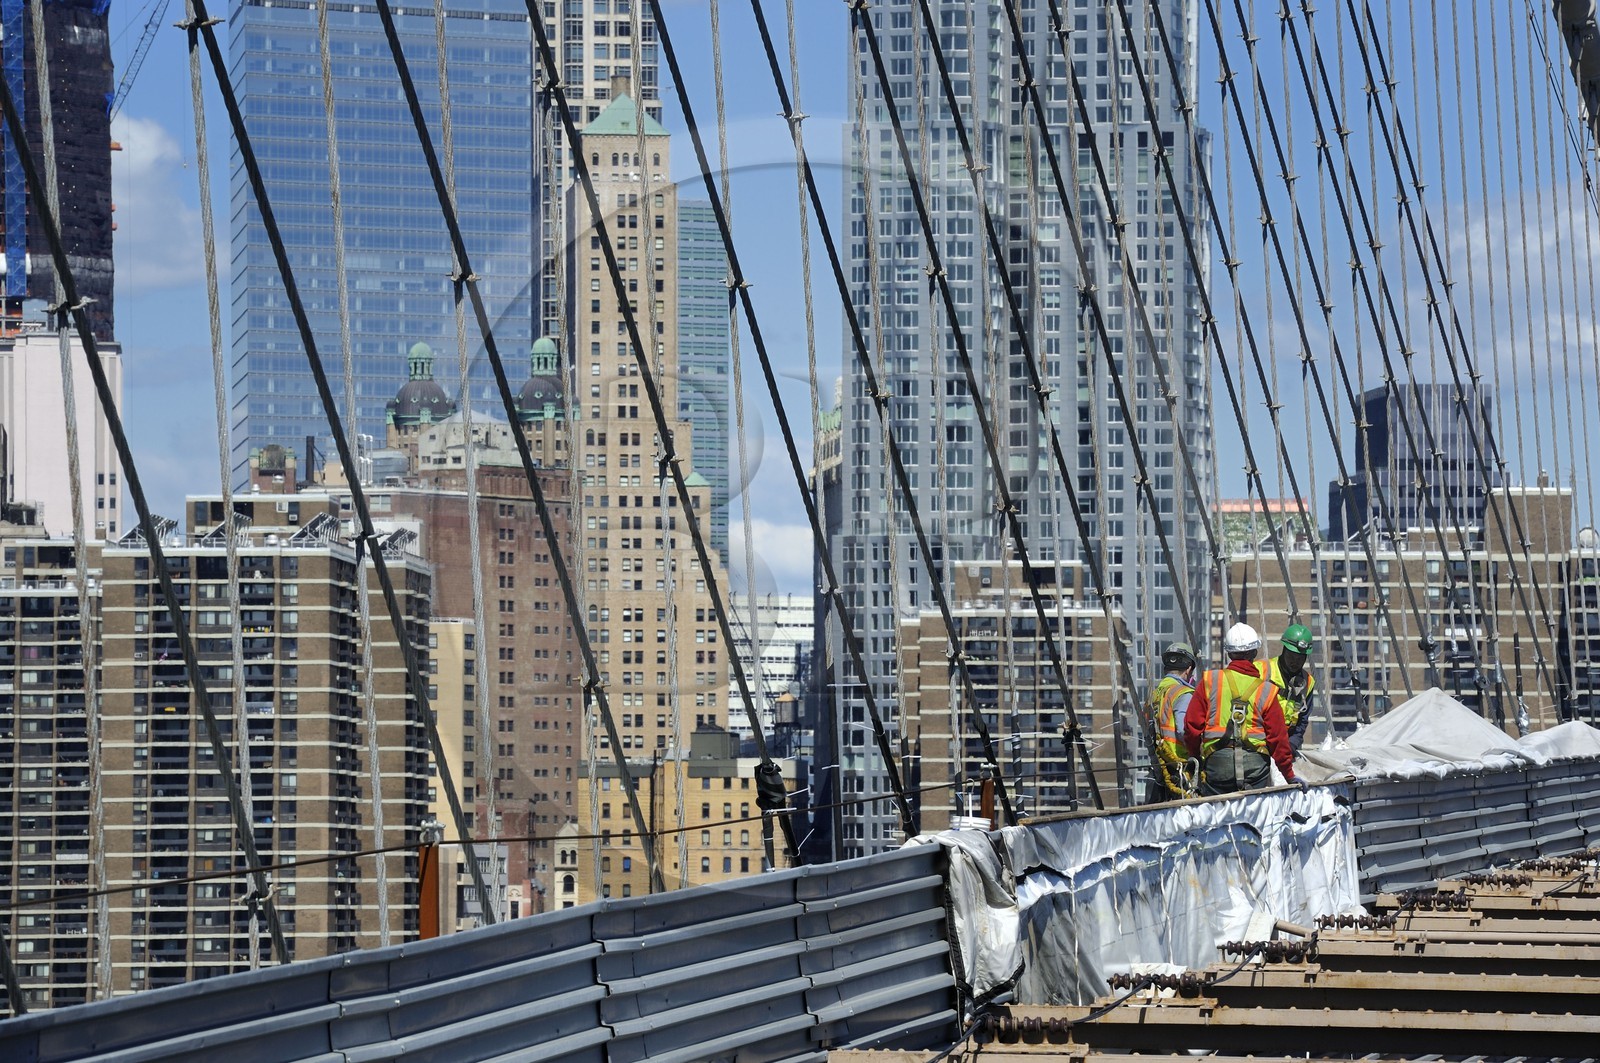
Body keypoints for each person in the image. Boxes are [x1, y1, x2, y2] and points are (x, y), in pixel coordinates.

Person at [1183, 622, 1299, 794]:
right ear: (1254, 652)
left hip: (1218, 764)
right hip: (1255, 766)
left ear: (1229, 653)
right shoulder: (1266, 690)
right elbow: (1278, 739)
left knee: (1218, 813)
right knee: (1253, 812)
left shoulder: (1210, 681)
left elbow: (1192, 728)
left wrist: (1195, 759)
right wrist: (1289, 776)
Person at [1144, 642, 1197, 803]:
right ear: (1188, 670)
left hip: (1160, 768)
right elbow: (1184, 731)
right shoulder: (1183, 693)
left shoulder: (1154, 695)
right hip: (1180, 768)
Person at [1260, 624, 1317, 752]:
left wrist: (1291, 745)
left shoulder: (1307, 682)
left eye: (1300, 658)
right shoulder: (1262, 671)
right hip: (1259, 741)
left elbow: (1302, 721)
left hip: (1285, 743)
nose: (1295, 662)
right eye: (1292, 656)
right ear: (1284, 650)